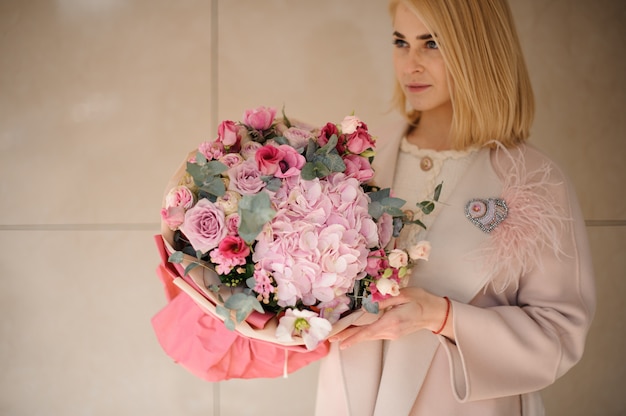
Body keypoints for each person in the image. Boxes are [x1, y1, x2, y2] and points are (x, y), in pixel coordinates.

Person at [314, 0, 595, 415]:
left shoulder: (534, 180)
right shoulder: (360, 160)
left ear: (476, 49)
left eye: (432, 44)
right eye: (401, 42)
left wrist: (441, 316)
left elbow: (558, 336)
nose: (410, 64)